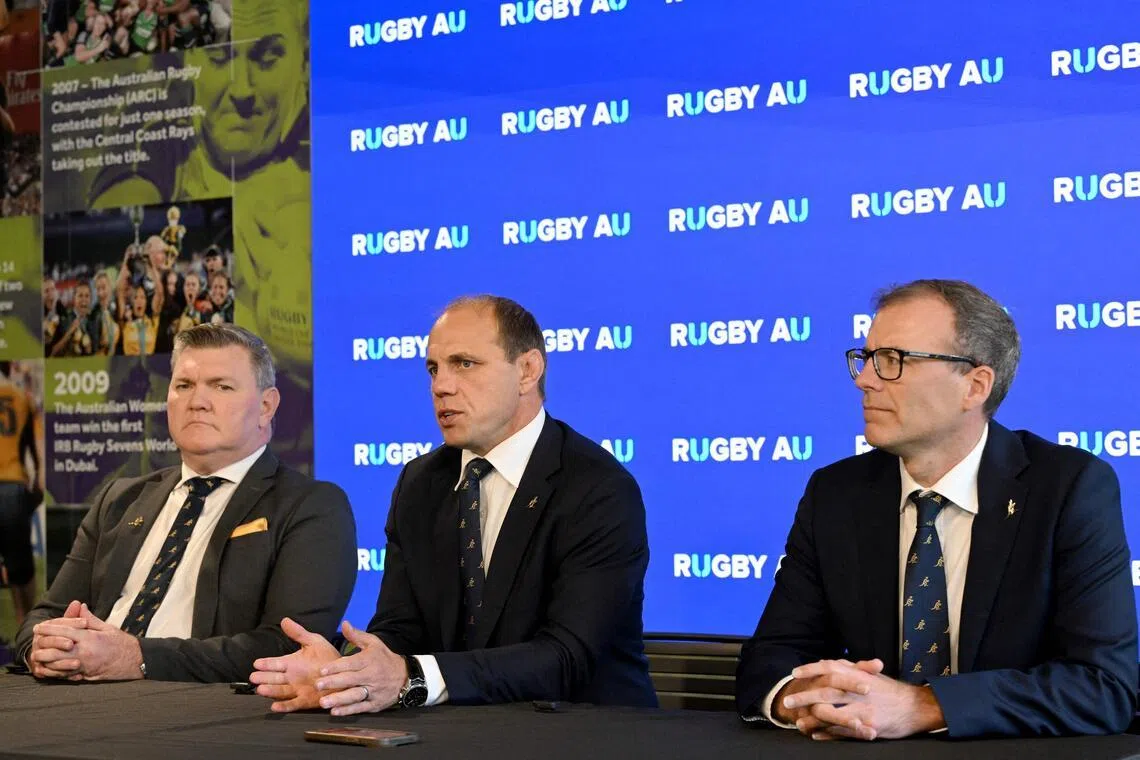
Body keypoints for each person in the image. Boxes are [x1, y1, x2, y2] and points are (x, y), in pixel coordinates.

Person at [735, 279, 1137, 740]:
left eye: (893, 360)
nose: (865, 379)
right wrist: (805, 699)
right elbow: (772, 658)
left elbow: (1103, 687)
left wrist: (920, 705)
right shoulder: (836, 493)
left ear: (975, 386)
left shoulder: (1067, 487)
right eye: (866, 359)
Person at [251, 295, 656, 713]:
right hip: (459, 732)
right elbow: (400, 628)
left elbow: (566, 657)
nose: (441, 385)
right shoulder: (420, 483)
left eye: (464, 363)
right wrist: (345, 674)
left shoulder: (597, 488)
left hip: (589, 732)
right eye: (433, 368)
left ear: (528, 370)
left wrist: (413, 677)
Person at [14, 324, 356, 682]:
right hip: (71, 695)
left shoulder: (311, 507)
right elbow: (44, 616)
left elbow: (288, 646)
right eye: (184, 386)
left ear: (266, 406)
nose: (197, 402)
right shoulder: (120, 499)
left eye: (222, 386)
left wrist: (138, 657)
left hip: (198, 711)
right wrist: (41, 648)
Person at [0, 361, 41, 630]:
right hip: (13, 485)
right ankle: (27, 629)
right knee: (21, 570)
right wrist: (36, 482)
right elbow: (33, 449)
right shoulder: (20, 398)